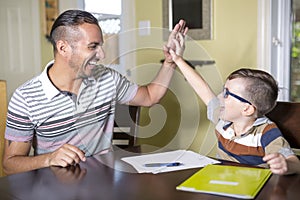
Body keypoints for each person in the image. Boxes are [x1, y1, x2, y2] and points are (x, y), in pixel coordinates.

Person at [2, 9, 188, 175]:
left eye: (100, 46)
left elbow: (150, 96)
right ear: (63, 48)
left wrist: (170, 61)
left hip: (103, 184)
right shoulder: (25, 97)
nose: (102, 55)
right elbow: (10, 164)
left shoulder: (107, 78)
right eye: (92, 47)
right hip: (54, 189)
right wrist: (49, 158)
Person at [168, 33, 300, 175]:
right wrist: (178, 59)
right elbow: (202, 89)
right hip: (221, 182)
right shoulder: (223, 119)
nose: (219, 97)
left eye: (226, 94)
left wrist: (285, 164)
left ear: (247, 109)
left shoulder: (266, 132)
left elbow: (295, 163)